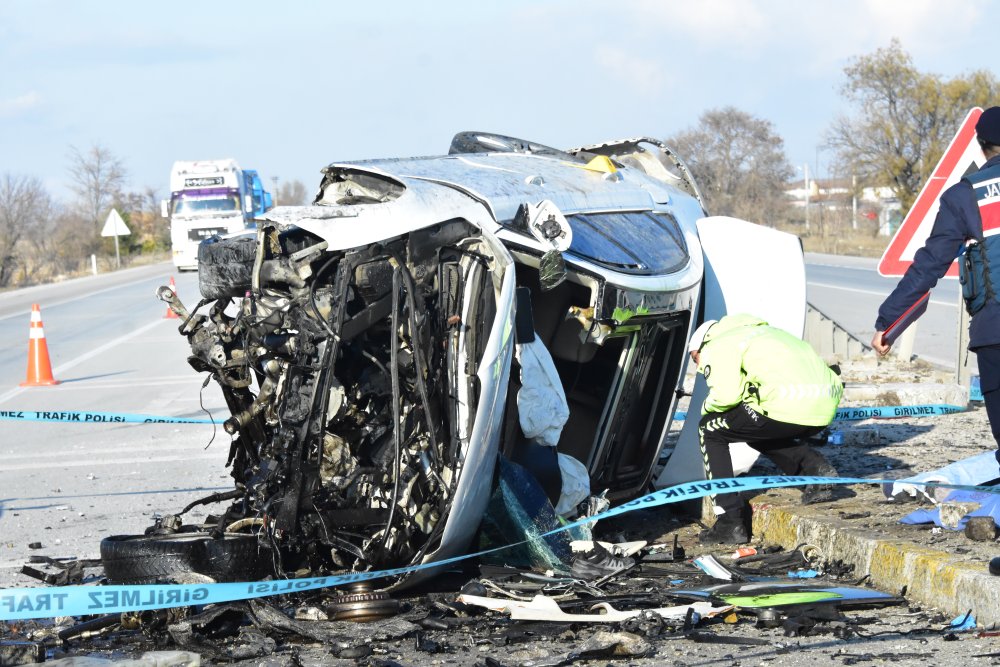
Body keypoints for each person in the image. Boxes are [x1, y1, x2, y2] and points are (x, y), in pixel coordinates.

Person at [872, 106, 1000, 462]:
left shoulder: (965, 196)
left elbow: (929, 266)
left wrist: (888, 323)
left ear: (980, 146)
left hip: (996, 334)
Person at [689, 314, 844, 544]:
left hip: (784, 404)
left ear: (700, 346)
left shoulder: (718, 343)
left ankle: (729, 521)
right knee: (753, 427)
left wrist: (704, 408)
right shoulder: (770, 333)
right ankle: (816, 471)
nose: (700, 367)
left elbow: (726, 395)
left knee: (709, 428)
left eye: (696, 360)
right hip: (823, 408)